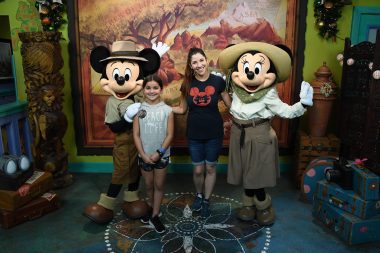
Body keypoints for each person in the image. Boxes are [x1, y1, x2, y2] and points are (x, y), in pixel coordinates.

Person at [218, 42, 313, 225]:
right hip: (239, 133)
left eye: (257, 68)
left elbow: (285, 112)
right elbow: (235, 106)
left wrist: (303, 104)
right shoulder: (236, 88)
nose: (250, 73)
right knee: (245, 173)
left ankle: (263, 206)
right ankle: (248, 205)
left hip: (259, 134)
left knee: (256, 176)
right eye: (245, 67)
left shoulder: (268, 93)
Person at [172, 47, 231, 218]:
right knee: (198, 170)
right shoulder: (187, 84)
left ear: (206, 60)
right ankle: (199, 194)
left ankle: (206, 200)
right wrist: (161, 108)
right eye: (194, 62)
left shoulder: (218, 82)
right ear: (190, 65)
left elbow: (230, 105)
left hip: (214, 131)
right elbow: (182, 109)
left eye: (201, 60)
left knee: (210, 168)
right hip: (194, 133)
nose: (199, 65)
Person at [133, 74, 174, 233]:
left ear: (161, 89)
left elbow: (170, 134)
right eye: (148, 88)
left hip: (161, 156)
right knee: (148, 185)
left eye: (155, 88)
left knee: (158, 185)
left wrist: (159, 152)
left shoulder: (167, 110)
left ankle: (155, 215)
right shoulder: (139, 109)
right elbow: (136, 134)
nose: (151, 91)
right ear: (143, 90)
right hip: (144, 155)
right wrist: (142, 154)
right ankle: (151, 207)